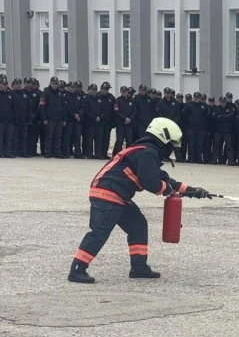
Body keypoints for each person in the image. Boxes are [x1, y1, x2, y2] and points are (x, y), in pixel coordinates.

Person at [68, 117, 210, 284]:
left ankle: (139, 267)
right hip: (107, 193)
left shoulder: (146, 152)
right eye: (170, 144)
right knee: (100, 232)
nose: (170, 150)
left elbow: (163, 179)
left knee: (138, 226)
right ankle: (77, 269)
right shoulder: (147, 152)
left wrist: (192, 191)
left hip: (119, 195)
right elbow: (151, 182)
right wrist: (169, 190)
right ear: (163, 138)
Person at [212, 96, 236, 165]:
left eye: (224, 101)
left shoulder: (229, 108)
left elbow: (231, 116)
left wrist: (221, 116)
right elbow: (215, 118)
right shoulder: (216, 109)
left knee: (229, 146)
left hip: (227, 131)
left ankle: (230, 160)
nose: (223, 103)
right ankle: (215, 159)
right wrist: (225, 117)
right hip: (218, 131)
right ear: (219, 102)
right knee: (217, 146)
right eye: (221, 101)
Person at [11, 78, 32, 158]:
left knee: (23, 137)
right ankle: (14, 152)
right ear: (13, 85)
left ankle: (22, 152)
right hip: (15, 120)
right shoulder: (11, 94)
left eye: (20, 83)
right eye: (17, 83)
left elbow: (29, 108)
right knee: (14, 137)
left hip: (24, 120)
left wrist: (29, 118)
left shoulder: (25, 95)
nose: (19, 85)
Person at [0, 75, 14, 157]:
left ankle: (7, 152)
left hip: (9, 120)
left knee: (8, 138)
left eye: (6, 84)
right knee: (0, 138)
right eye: (3, 84)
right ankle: (1, 152)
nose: (4, 86)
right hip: (1, 120)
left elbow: (13, 107)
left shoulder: (10, 94)